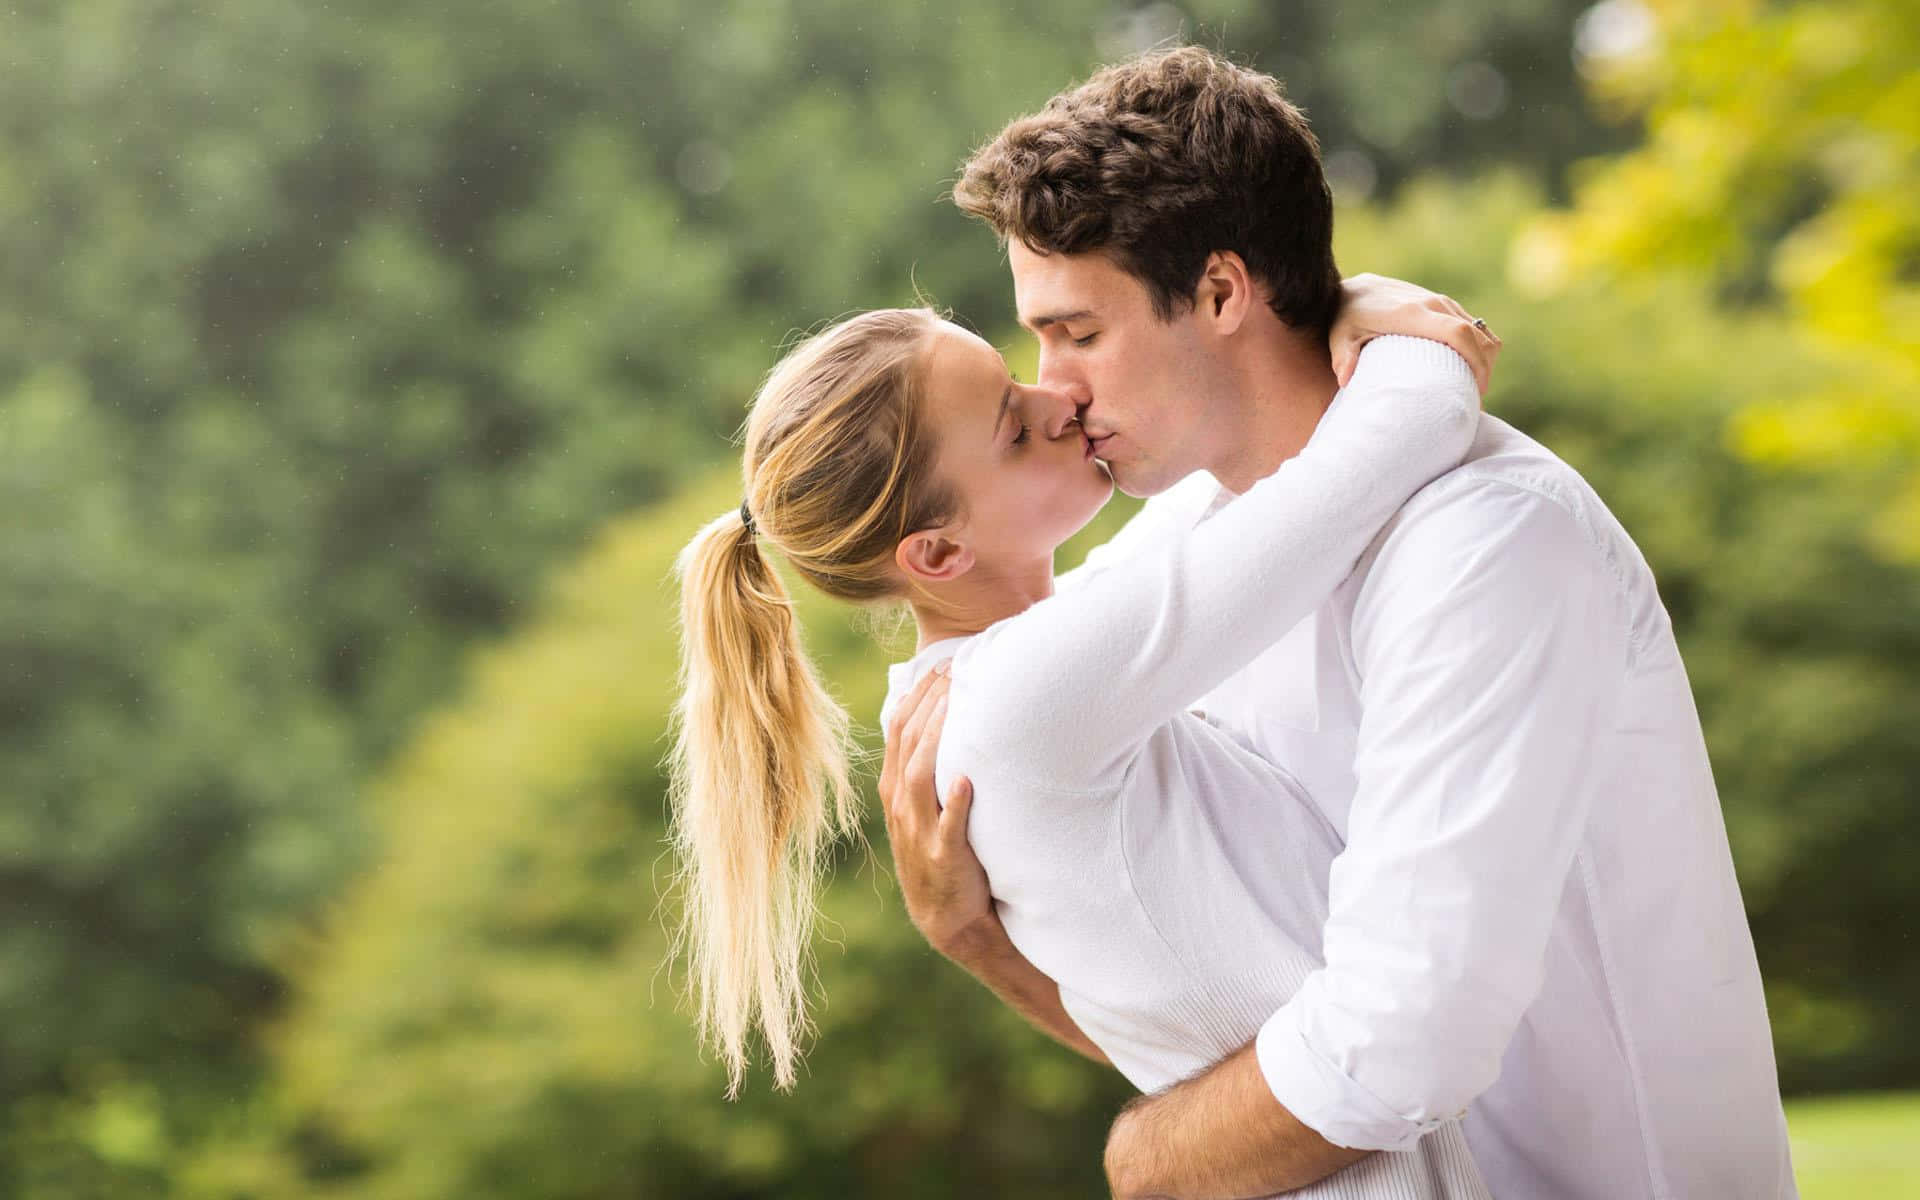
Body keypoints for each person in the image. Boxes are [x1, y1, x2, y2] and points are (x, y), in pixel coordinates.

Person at [882, 45, 1797, 1199]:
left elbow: (1390, 1052)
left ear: (1221, 293)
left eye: (1077, 333)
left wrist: (1144, 1161)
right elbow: (1234, 1013)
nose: (1053, 388)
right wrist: (985, 947)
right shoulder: (1192, 541)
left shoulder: (1487, 543)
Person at [669, 289, 1500, 1196]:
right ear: (938, 556)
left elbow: (1225, 490)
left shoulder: (986, 684)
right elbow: (1407, 428)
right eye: (1013, 430)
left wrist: (1325, 302)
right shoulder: (1029, 694)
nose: (1057, 401)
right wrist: (1377, 323)